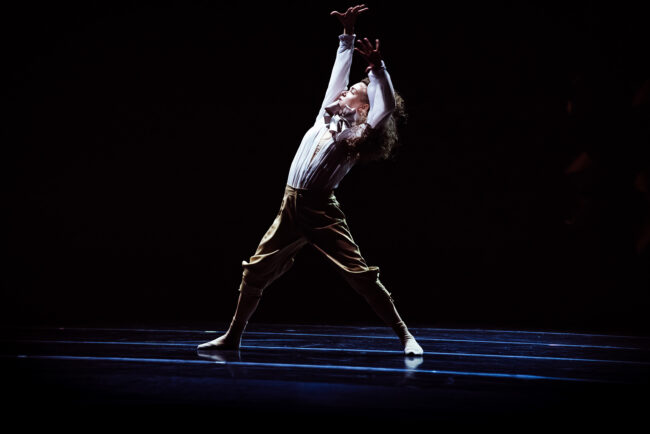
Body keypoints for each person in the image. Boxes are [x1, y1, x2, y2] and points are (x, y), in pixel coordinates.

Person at [198, 4, 423, 356]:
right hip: (290, 205)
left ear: (363, 107)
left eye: (352, 91)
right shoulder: (325, 117)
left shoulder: (358, 134)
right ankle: (233, 336)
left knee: (359, 275)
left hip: (320, 211)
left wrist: (378, 70)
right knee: (255, 271)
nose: (343, 91)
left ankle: (406, 336)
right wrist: (347, 35)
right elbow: (338, 73)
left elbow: (386, 108)